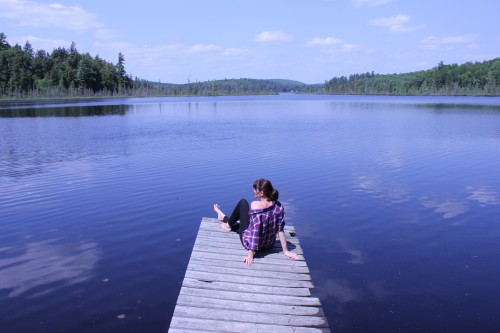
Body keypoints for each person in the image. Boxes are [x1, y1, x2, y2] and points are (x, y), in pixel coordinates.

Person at [213, 178, 299, 265]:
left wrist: (250, 254)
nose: (253, 190)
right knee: (243, 224)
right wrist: (286, 251)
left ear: (261, 193)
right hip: (268, 244)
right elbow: (280, 230)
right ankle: (223, 217)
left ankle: (227, 224)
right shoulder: (278, 206)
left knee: (243, 202)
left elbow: (255, 232)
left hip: (254, 245)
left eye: (255, 189)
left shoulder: (256, 206)